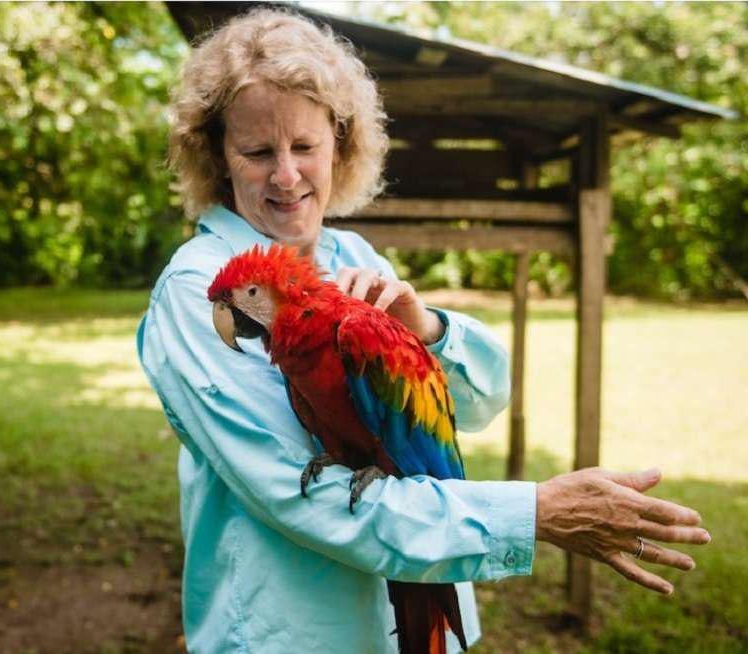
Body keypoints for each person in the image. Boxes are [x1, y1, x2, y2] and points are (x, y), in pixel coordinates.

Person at [137, 8, 710, 653]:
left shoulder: (354, 259)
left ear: (341, 145)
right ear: (217, 156)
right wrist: (534, 514)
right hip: (293, 631)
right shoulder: (197, 290)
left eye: (306, 146)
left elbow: (476, 401)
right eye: (258, 151)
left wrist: (426, 329)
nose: (287, 175)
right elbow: (296, 494)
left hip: (418, 618)